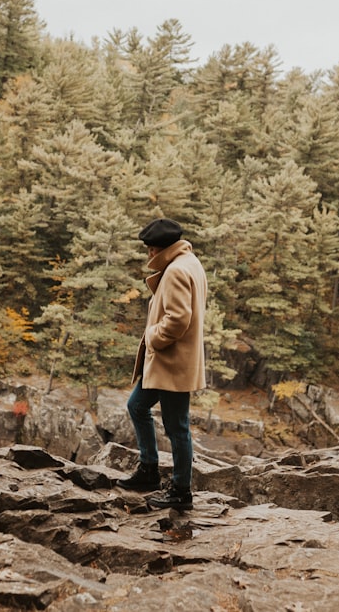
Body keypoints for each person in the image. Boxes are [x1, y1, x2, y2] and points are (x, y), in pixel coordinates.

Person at [117, 217, 208, 511]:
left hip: (172, 362)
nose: (148, 256)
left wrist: (152, 337)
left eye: (150, 250)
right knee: (137, 405)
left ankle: (181, 490)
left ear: (160, 249)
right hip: (166, 362)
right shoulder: (189, 262)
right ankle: (148, 469)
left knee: (177, 426)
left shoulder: (177, 271)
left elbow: (179, 319)